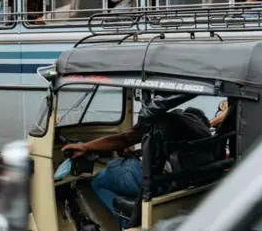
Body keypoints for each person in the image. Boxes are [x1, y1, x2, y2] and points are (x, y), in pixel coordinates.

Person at [62, 98, 224, 228]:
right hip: (182, 182)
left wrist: (85, 147)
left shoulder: (159, 118)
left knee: (101, 177)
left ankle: (127, 222)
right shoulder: (196, 125)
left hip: (160, 182)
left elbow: (124, 138)